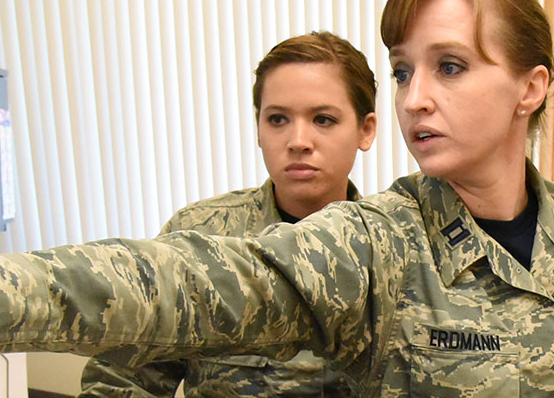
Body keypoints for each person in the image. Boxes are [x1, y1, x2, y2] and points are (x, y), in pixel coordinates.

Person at [0, 0, 554, 396]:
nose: (418, 96)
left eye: (449, 67)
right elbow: (179, 281)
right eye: (406, 70)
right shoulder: (378, 242)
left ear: (530, 88)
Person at [78, 31, 375, 398]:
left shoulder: (391, 250)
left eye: (323, 119)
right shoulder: (200, 237)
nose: (298, 140)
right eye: (278, 119)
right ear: (259, 128)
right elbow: (121, 379)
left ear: (366, 129)